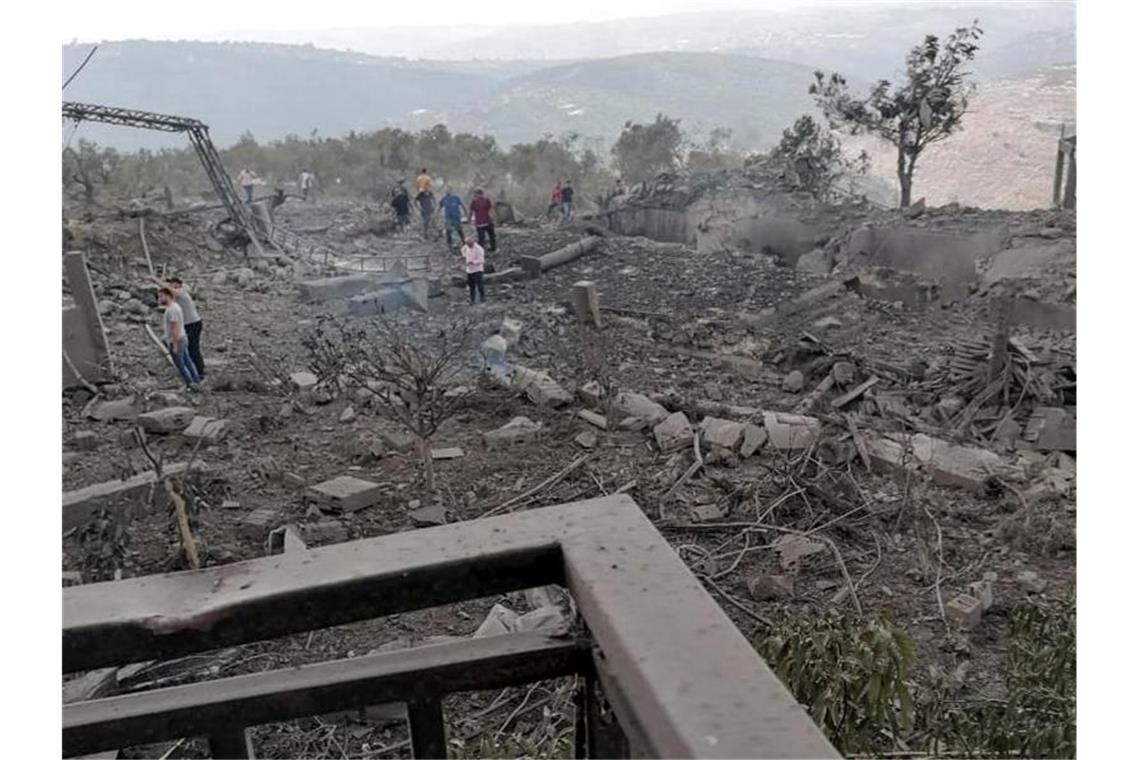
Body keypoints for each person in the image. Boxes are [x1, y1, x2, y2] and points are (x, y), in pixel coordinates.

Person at [149, 275, 205, 379]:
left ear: (178, 284)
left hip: (193, 324)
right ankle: (195, 371)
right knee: (188, 349)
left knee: (192, 348)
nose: (170, 285)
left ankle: (199, 372)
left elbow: (169, 289)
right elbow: (166, 289)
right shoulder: (175, 295)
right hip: (189, 324)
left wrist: (155, 280)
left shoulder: (181, 292)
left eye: (172, 283)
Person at [158, 286, 201, 389]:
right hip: (182, 337)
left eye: (160, 297)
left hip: (178, 339)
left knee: (180, 364)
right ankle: (196, 380)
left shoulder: (172, 309)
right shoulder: (175, 307)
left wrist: (174, 344)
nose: (159, 299)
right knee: (187, 361)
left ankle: (190, 384)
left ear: (167, 296)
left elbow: (174, 328)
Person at [469, 188, 496, 252]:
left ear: (476, 194)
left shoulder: (474, 201)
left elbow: (470, 212)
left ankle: (481, 251)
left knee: (481, 238)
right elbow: (492, 210)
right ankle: (493, 248)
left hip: (480, 223)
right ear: (482, 193)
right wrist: (493, 218)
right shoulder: (486, 200)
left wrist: (469, 219)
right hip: (488, 222)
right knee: (491, 236)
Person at [460, 236, 485, 305]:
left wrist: (473, 262)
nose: (468, 245)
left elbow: (482, 260)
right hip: (469, 270)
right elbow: (462, 250)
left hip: (478, 269)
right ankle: (472, 299)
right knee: (471, 286)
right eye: (467, 244)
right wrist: (464, 256)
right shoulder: (466, 247)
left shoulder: (479, 249)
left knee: (480, 284)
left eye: (469, 244)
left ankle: (482, 297)